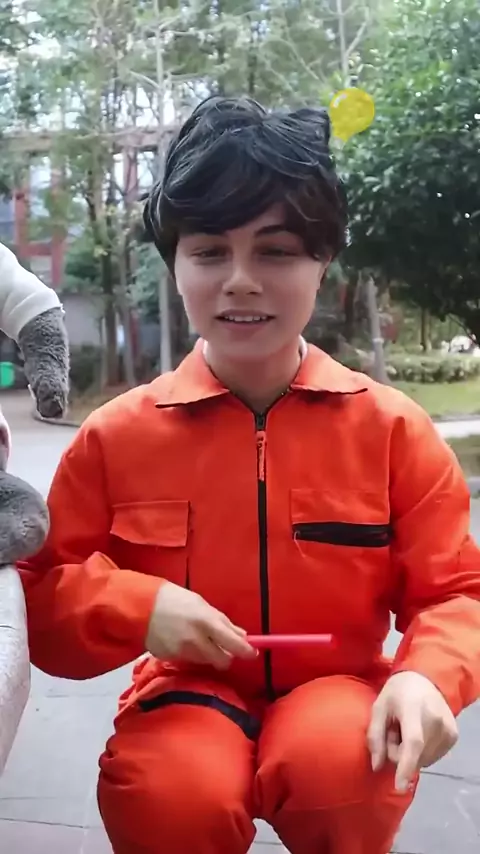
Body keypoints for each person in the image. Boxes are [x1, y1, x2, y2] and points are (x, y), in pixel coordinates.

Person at [19, 96, 480, 854]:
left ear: (322, 262)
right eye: (208, 252)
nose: (240, 281)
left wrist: (429, 677)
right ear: (174, 265)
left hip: (339, 690)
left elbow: (456, 592)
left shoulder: (391, 430)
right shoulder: (118, 436)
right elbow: (41, 591)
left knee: (345, 765)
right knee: (170, 792)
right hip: (184, 695)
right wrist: (138, 606)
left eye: (276, 251)